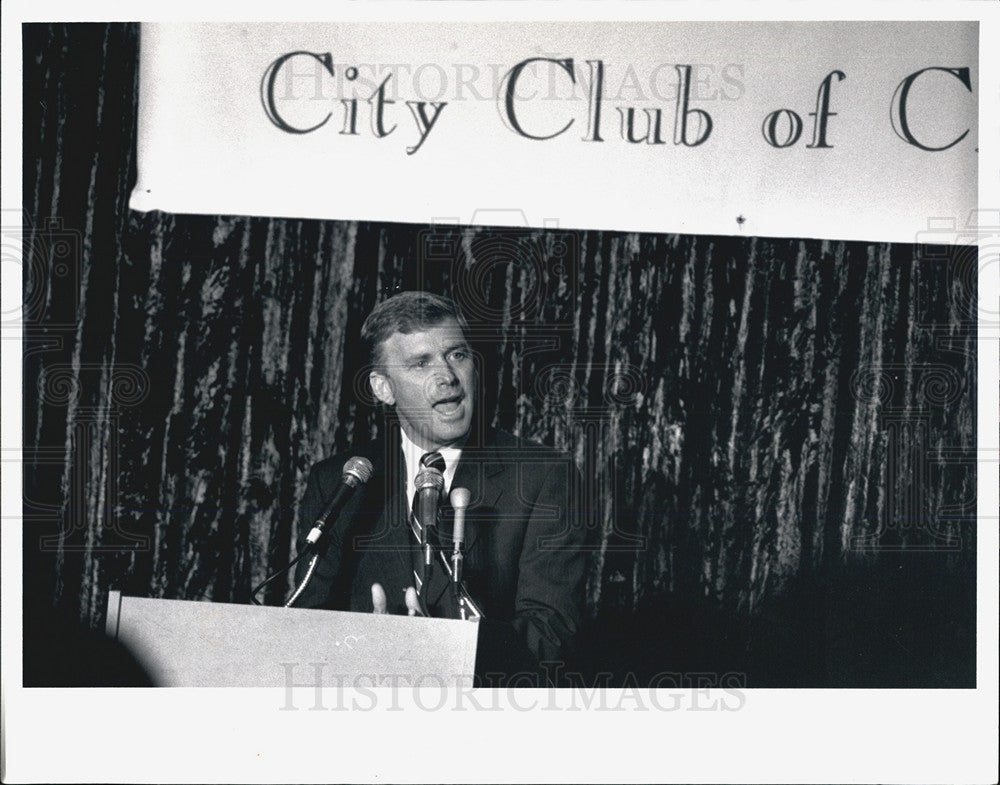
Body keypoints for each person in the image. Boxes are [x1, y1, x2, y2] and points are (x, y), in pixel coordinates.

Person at [291, 291, 589, 681]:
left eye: (457, 355)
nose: (447, 376)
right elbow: (306, 621)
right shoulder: (339, 480)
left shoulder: (544, 476)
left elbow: (551, 635)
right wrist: (366, 648)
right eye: (420, 363)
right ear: (384, 388)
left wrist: (439, 652)